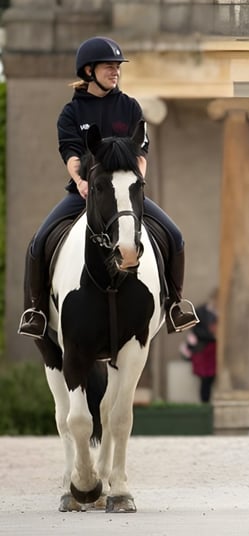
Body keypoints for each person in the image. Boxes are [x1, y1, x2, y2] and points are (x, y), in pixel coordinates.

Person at [17, 36, 199, 339]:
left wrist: (136, 183)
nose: (115, 72)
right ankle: (36, 310)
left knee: (175, 236)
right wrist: (81, 182)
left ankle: (175, 305)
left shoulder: (129, 107)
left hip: (126, 193)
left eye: (118, 67)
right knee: (38, 243)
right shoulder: (71, 113)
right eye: (108, 67)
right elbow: (71, 153)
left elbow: (141, 153)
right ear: (88, 71)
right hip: (86, 194)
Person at [179, 292, 218, 403]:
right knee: (205, 379)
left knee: (212, 379)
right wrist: (212, 336)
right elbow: (195, 329)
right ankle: (204, 402)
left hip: (216, 350)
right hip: (205, 348)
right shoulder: (201, 311)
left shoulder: (221, 313)